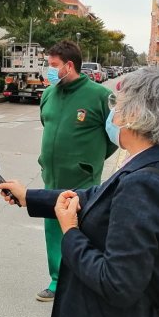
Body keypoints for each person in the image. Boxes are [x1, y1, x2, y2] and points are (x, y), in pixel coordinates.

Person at [0, 67, 159, 317]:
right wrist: (30, 197)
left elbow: (118, 283)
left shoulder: (144, 184)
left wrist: (70, 232)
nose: (112, 111)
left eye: (118, 104)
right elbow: (95, 198)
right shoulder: (155, 162)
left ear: (136, 114)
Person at [36, 40, 116, 301]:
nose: (48, 71)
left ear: (69, 66)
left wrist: (91, 161)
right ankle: (57, 279)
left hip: (82, 178)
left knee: (80, 228)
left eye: (53, 66)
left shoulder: (99, 95)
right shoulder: (49, 94)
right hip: (52, 175)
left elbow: (114, 135)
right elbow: (47, 126)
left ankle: (84, 279)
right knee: (52, 229)